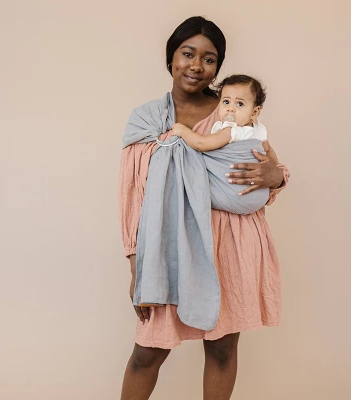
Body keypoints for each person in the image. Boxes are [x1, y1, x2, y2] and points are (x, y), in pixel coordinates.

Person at [118, 16, 290, 400]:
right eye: (188, 54)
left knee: (223, 349)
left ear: (217, 67)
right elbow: (132, 194)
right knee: (147, 353)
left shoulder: (232, 112)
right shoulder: (147, 120)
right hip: (169, 248)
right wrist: (137, 265)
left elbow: (268, 167)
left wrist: (275, 177)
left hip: (230, 244)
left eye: (209, 59)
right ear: (171, 58)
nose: (196, 66)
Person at [171, 74, 279, 165]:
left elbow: (201, 144)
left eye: (239, 104)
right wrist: (277, 167)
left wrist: (183, 131)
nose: (230, 109)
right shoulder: (259, 130)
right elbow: (268, 150)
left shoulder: (231, 131)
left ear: (254, 113)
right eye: (226, 102)